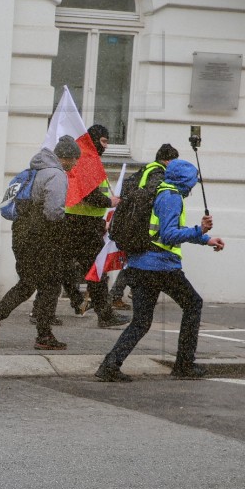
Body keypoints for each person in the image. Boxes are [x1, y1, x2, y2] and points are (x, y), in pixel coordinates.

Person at [96, 159, 225, 381]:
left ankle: (109, 365)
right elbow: (169, 235)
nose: (193, 187)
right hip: (161, 266)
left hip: (140, 265)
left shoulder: (159, 191)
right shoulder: (171, 197)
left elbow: (163, 230)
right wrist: (199, 229)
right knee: (193, 304)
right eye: (192, 181)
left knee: (141, 321)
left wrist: (206, 239)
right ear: (185, 181)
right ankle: (184, 364)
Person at [0, 136, 81, 350]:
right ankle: (44, 336)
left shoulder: (32, 171)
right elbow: (53, 212)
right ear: (68, 158)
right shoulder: (56, 175)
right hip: (41, 237)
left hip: (22, 234)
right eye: (75, 160)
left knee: (28, 282)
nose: (75, 164)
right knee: (50, 284)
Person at [62, 124, 129, 328]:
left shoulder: (80, 159)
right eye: (104, 141)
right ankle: (105, 315)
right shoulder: (89, 160)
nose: (106, 146)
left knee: (64, 265)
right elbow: (89, 195)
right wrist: (110, 203)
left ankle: (65, 304)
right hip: (85, 224)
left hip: (73, 220)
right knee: (96, 269)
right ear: (94, 140)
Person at [109, 143, 180, 310]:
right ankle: (123, 294)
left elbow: (129, 190)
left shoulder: (146, 170)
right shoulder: (158, 173)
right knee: (136, 260)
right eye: (174, 161)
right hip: (141, 226)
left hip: (132, 223)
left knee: (133, 260)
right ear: (167, 160)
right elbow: (152, 196)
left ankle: (121, 294)